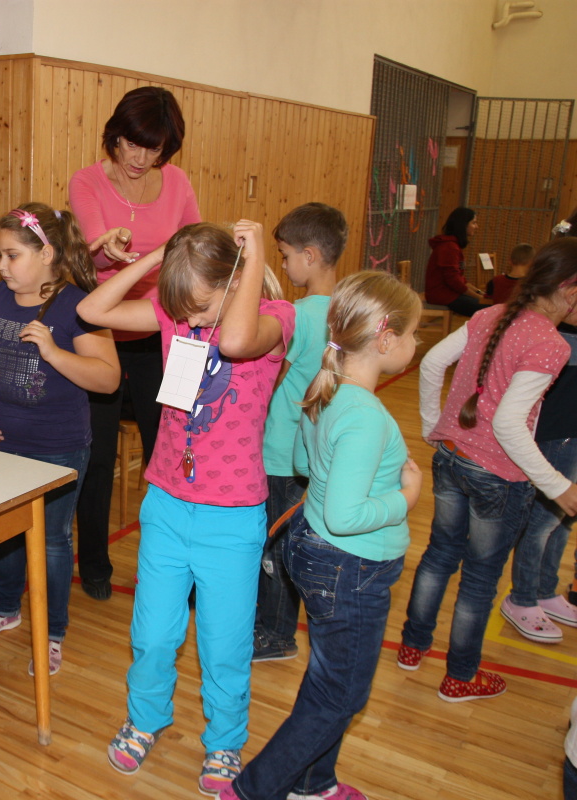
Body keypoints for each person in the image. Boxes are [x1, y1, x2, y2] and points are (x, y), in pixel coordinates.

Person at [78, 221, 294, 795]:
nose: (191, 320)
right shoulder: (177, 315)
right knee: (152, 635)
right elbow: (94, 310)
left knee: (224, 647)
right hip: (167, 507)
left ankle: (225, 740)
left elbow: (235, 343)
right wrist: (158, 256)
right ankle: (145, 718)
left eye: (201, 306)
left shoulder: (275, 318)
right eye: (183, 308)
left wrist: (254, 257)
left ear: (235, 281)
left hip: (231, 518)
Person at [221, 271, 423, 800]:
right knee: (341, 695)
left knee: (328, 679)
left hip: (321, 556)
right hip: (349, 567)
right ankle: (252, 790)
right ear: (386, 340)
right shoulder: (366, 415)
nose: (416, 343)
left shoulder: (325, 391)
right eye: (413, 333)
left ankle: (314, 784)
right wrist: (405, 497)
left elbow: (302, 463)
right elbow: (345, 515)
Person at [398, 237, 577, 700]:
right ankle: (460, 676)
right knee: (479, 579)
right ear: (570, 289)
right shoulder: (550, 343)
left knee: (440, 554)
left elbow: (432, 363)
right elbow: (509, 425)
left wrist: (432, 426)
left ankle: (412, 646)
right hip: (497, 476)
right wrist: (558, 485)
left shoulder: (490, 314)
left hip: (451, 457)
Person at [0, 203, 120, 676]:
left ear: (47, 254)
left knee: (52, 540)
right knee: (5, 530)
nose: (1, 265)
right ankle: (4, 607)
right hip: (1, 436)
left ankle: (51, 632)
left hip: (58, 444)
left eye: (12, 255)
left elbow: (108, 377)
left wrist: (53, 353)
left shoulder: (78, 305)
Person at [68, 86, 202, 601]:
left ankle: (179, 568)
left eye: (155, 148)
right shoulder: (87, 181)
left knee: (172, 452)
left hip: (162, 337)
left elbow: (192, 251)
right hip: (100, 336)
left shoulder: (178, 183)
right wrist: (108, 247)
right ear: (115, 136)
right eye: (132, 144)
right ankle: (94, 563)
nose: (141, 158)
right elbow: (95, 258)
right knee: (99, 455)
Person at [253, 203, 346, 663]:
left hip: (280, 451)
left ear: (310, 256)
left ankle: (274, 633)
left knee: (274, 544)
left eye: (286, 256)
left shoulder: (297, 314)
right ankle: (275, 625)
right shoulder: (347, 310)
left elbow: (270, 381)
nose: (285, 265)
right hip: (316, 451)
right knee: (289, 538)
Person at [502, 221, 577, 643]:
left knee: (563, 517)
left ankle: (545, 590)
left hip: (571, 428)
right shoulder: (552, 322)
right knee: (545, 518)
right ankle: (522, 597)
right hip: (556, 427)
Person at [425, 207, 485, 318]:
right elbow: (453, 280)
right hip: (443, 295)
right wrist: (479, 298)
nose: (476, 226)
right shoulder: (449, 247)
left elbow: (460, 279)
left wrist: (479, 293)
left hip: (450, 294)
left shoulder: (452, 245)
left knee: (488, 306)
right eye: (473, 223)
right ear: (463, 225)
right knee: (487, 310)